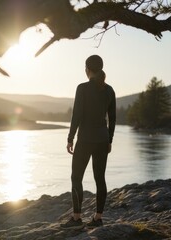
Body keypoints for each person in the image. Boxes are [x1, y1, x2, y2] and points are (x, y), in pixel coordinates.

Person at [60, 55, 116, 229]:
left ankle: (77, 218)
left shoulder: (82, 88)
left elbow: (77, 115)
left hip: (84, 140)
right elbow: (112, 119)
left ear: (87, 70)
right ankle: (98, 218)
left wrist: (70, 138)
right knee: (100, 178)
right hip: (102, 140)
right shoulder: (109, 90)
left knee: (76, 177)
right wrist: (109, 140)